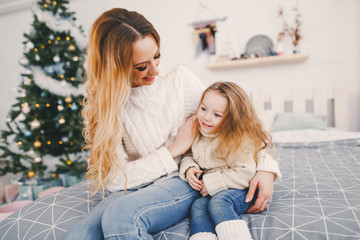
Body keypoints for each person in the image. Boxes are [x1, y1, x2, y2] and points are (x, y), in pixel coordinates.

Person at [63, 8, 281, 240]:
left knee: (121, 216)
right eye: (141, 66)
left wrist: (267, 167)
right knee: (77, 236)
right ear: (114, 66)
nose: (155, 70)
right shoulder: (104, 107)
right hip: (136, 186)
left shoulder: (179, 81)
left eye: (157, 56)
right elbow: (115, 179)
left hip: (183, 178)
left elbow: (235, 121)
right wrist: (174, 149)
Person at [179, 82, 281, 240]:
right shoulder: (199, 134)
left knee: (219, 202)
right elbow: (189, 155)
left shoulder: (236, 140)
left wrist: (210, 183)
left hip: (244, 188)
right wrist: (189, 168)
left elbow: (245, 172)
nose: (206, 117)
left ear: (232, 118)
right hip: (219, 188)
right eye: (203, 109)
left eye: (217, 115)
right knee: (198, 206)